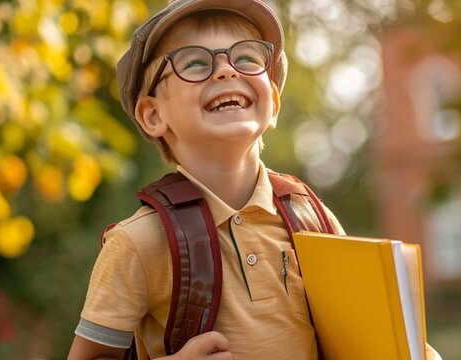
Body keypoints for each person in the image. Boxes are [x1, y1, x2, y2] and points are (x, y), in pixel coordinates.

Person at [68, 1, 441, 359]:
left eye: (246, 58)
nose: (227, 70)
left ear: (274, 103)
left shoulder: (311, 219)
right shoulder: (138, 243)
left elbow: (376, 335)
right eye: (195, 63)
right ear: (152, 115)